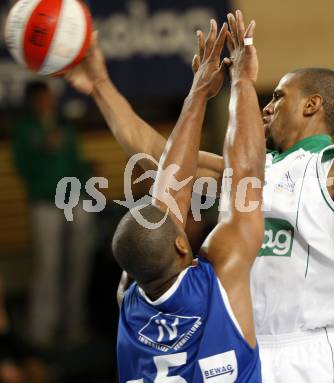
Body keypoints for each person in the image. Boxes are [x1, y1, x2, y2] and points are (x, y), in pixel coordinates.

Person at [65, 9, 334, 382]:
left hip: (311, 350)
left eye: (278, 97)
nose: (267, 105)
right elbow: (157, 155)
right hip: (243, 343)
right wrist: (100, 85)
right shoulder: (243, 166)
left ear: (312, 105)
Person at [112, 15, 264, 382]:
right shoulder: (220, 284)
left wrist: (199, 93)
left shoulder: (129, 304)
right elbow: (244, 174)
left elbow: (171, 194)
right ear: (182, 244)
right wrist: (239, 81)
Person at [12, 81, 95, 347]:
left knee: (79, 262)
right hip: (45, 202)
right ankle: (42, 329)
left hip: (75, 199)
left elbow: (77, 161)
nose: (50, 100)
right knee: (48, 265)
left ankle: (74, 324)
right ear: (35, 99)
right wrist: (43, 150)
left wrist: (87, 182)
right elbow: (22, 165)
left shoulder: (65, 125)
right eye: (45, 96)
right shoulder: (25, 129)